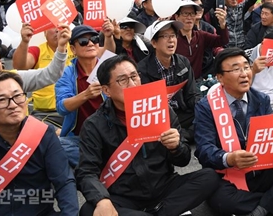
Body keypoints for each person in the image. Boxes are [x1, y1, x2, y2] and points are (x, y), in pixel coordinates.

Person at [76, 55, 219, 216]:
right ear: (106, 90)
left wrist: (176, 147)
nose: (132, 84)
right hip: (123, 195)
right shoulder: (94, 124)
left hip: (164, 187)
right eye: (122, 80)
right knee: (88, 210)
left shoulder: (161, 110)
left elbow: (184, 160)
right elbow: (86, 172)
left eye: (134, 76)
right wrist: (102, 200)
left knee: (209, 176)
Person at [194, 48, 273, 216]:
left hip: (261, 167)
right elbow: (204, 150)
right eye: (236, 69)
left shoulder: (260, 99)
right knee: (221, 199)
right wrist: (229, 158)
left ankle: (261, 209)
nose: (244, 74)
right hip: (229, 173)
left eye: (246, 67)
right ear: (220, 77)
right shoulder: (206, 106)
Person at [0, 71, 78, 215]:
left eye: (18, 96)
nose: (13, 105)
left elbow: (64, 181)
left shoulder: (43, 133)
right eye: (2, 100)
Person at [55, 22, 116, 168]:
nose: (90, 44)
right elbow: (62, 107)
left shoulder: (110, 68)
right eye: (83, 41)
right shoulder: (66, 73)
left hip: (112, 133)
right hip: (79, 137)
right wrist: (85, 95)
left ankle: (95, 164)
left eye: (94, 39)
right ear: (73, 49)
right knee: (56, 146)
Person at [138, 20, 200, 144]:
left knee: (205, 115)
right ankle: (183, 136)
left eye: (173, 36)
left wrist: (203, 110)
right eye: (165, 36)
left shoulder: (183, 62)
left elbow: (192, 94)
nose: (171, 40)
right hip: (158, 117)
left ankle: (182, 136)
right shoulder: (142, 69)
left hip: (181, 113)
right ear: (154, 43)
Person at [11, 23, 73, 127]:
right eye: (53, 27)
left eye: (60, 26)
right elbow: (19, 67)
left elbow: (104, 55)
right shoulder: (38, 50)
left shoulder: (77, 47)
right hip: (45, 113)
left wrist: (108, 36)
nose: (58, 30)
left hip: (73, 108)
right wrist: (25, 41)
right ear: (44, 32)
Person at [175, 0, 229, 80]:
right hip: (179, 83)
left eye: (192, 13)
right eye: (185, 13)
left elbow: (223, 40)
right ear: (177, 17)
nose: (189, 17)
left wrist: (222, 24)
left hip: (198, 82)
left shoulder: (200, 35)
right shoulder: (172, 39)